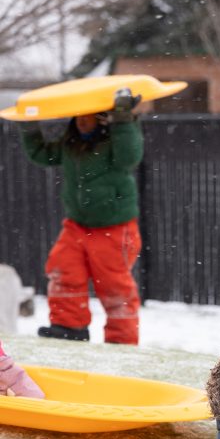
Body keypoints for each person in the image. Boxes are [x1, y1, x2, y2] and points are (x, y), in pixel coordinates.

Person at [17, 88, 144, 344]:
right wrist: (29, 127)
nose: (82, 122)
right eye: (78, 118)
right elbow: (42, 154)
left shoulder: (115, 142)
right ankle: (68, 326)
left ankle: (122, 340)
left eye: (88, 117)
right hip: (77, 226)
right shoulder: (71, 144)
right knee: (63, 269)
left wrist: (122, 118)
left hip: (114, 228)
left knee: (114, 286)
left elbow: (131, 156)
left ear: (102, 119)